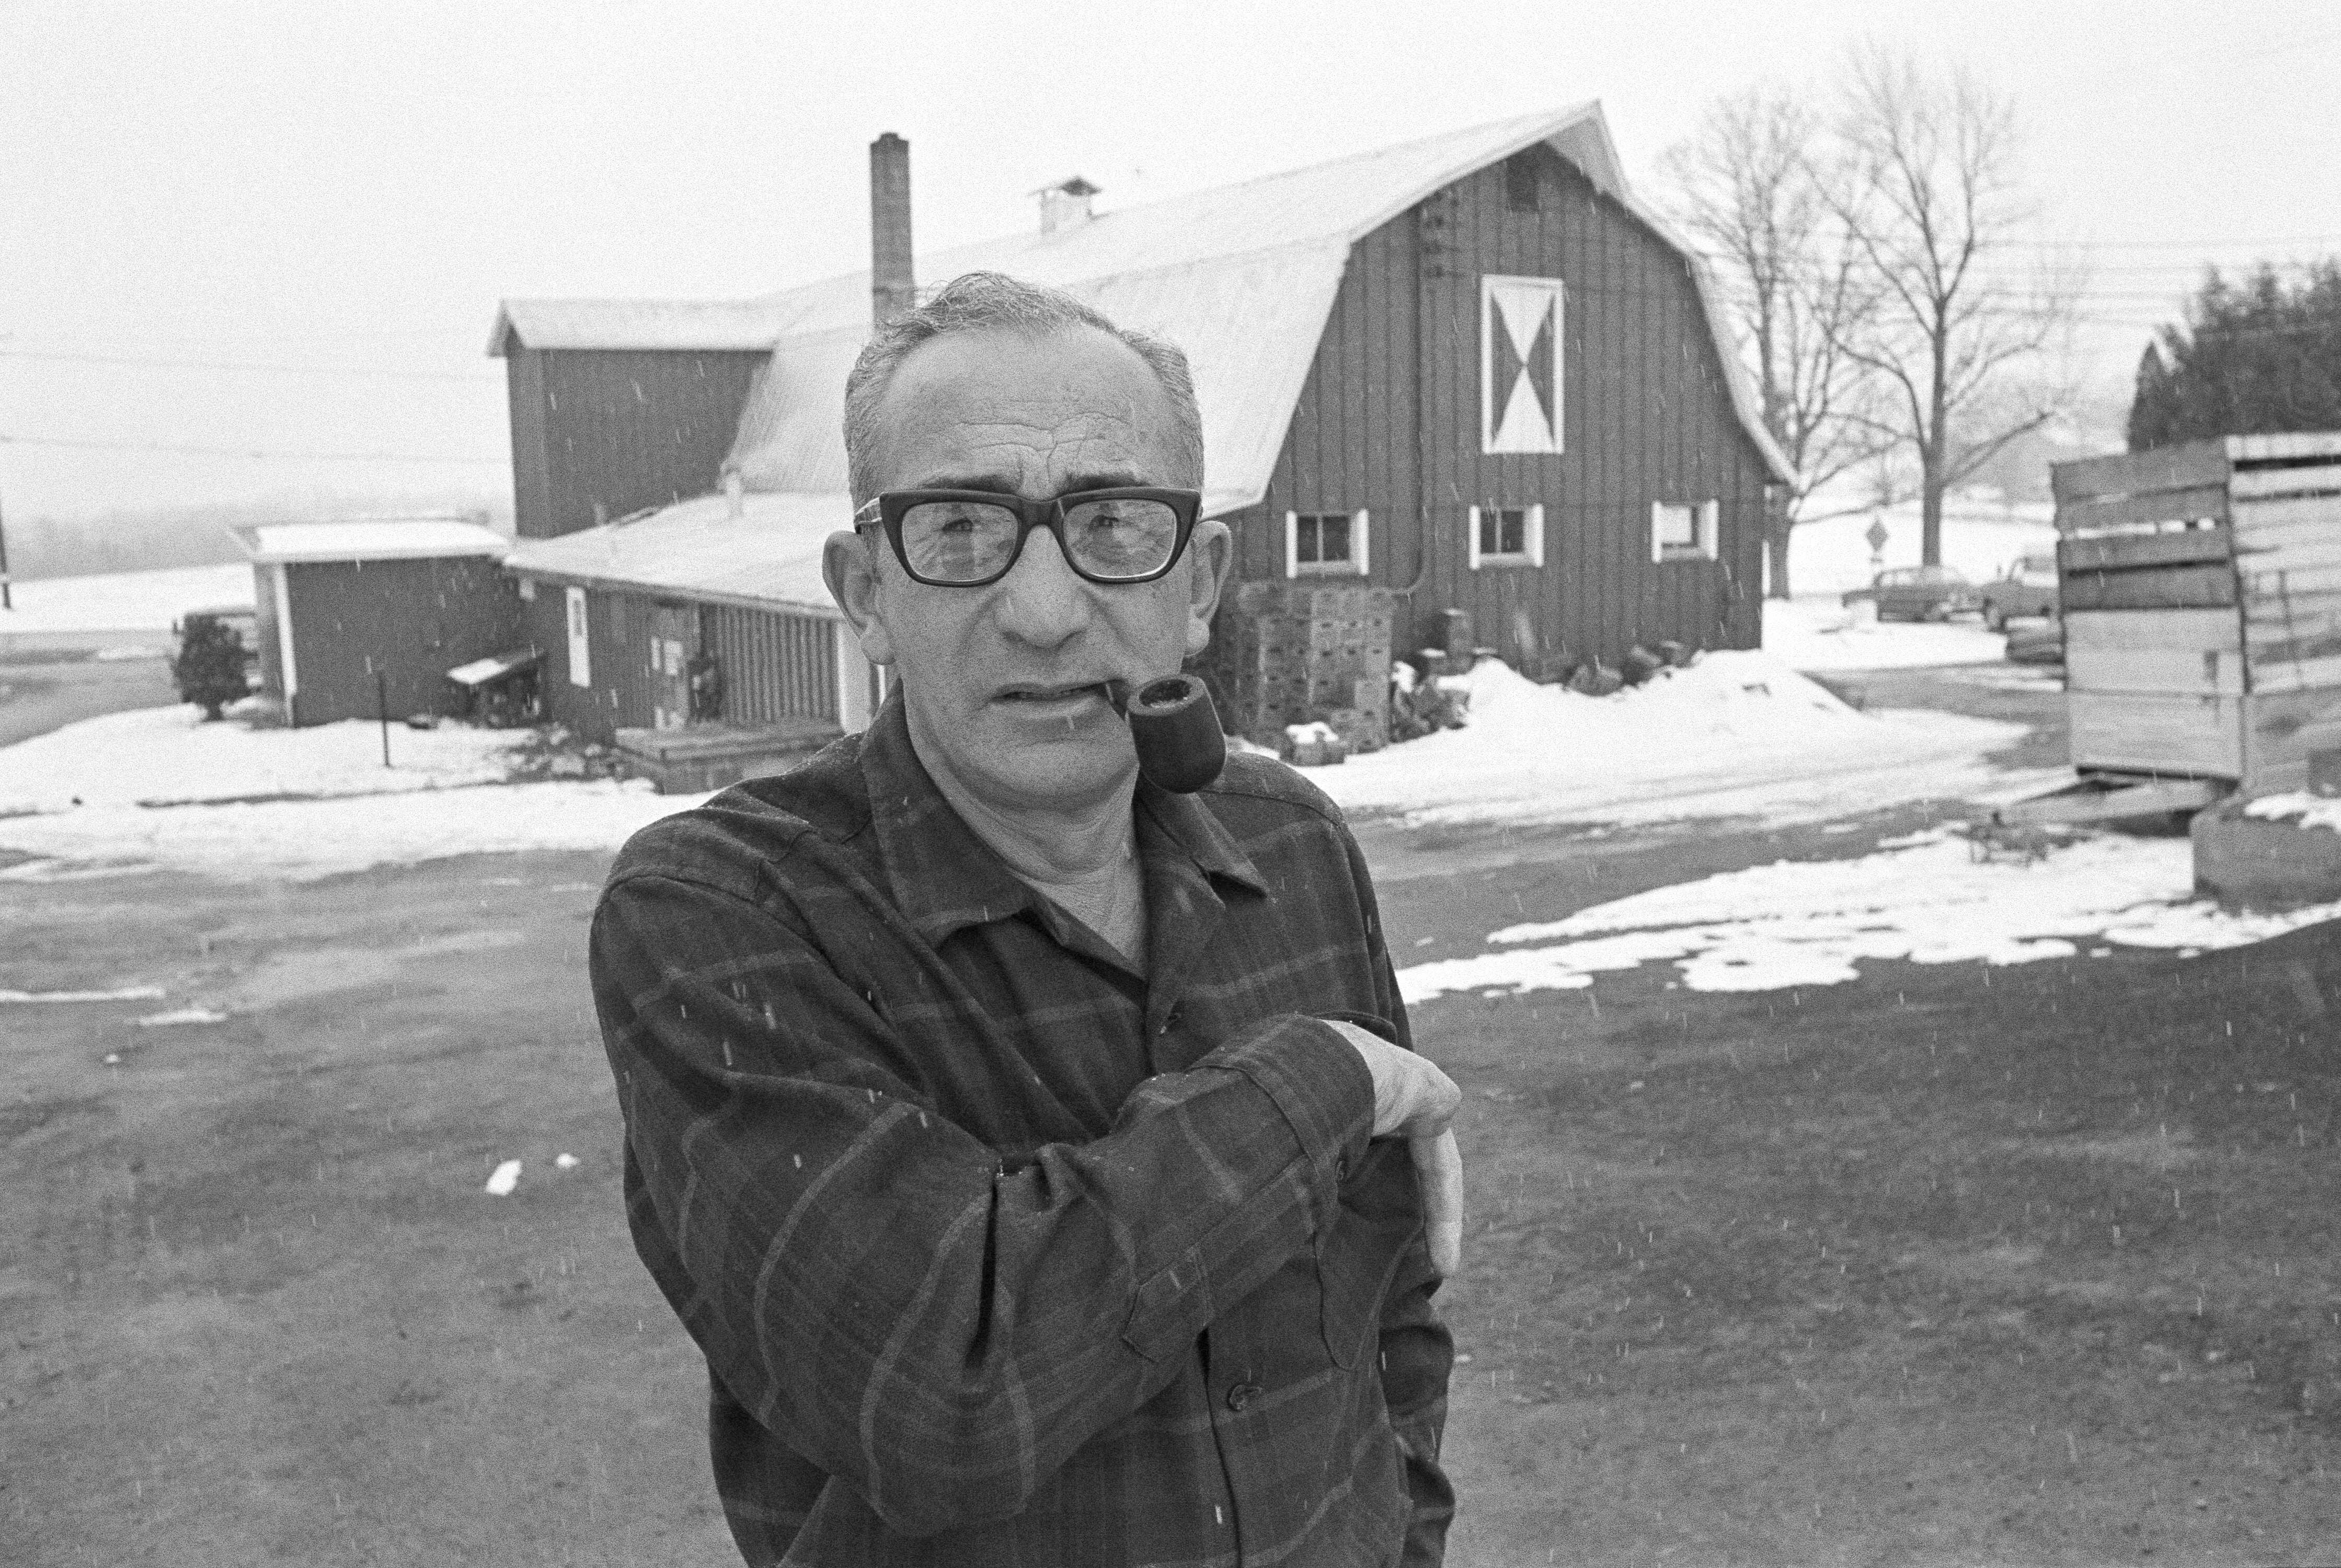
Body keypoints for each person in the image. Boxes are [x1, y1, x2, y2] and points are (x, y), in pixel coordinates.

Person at [589, 270, 1463, 1567]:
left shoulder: (1292, 846)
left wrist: (1406, 1538)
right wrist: (1316, 1083)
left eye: (1113, 526)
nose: (1048, 611)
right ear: (866, 592)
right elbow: (944, 1398)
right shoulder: (726, 914)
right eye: (959, 531)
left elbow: (1390, 1305)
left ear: (1203, 579)